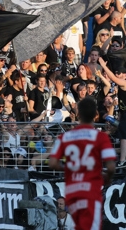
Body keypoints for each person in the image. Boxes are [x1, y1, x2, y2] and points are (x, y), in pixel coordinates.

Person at [49, 97, 116, 230]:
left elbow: (52, 162)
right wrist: (107, 178)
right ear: (96, 115)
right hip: (91, 189)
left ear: (78, 114)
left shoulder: (65, 136)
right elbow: (111, 166)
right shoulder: (100, 137)